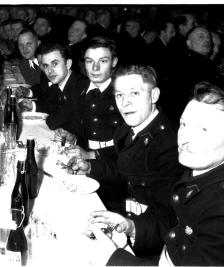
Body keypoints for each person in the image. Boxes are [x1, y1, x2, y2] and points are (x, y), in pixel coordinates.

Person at [83, 81, 224, 266]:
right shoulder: (198, 171)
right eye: (184, 124)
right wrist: (132, 227)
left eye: (203, 129)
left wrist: (114, 259)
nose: (185, 139)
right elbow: (174, 222)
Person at [67, 65, 185, 255]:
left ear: (154, 95)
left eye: (135, 93)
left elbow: (169, 215)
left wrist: (131, 226)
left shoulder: (169, 145)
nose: (125, 103)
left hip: (149, 240)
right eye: (119, 95)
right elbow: (126, 169)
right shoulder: (128, 129)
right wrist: (90, 167)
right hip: (123, 212)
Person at [68, 36, 123, 152]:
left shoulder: (124, 92)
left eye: (102, 61)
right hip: (83, 154)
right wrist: (73, 139)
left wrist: (93, 155)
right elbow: (80, 131)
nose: (95, 68)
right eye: (89, 61)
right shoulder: (77, 89)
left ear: (114, 62)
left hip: (115, 160)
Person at [18, 42, 89, 132]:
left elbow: (53, 122)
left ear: (68, 64)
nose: (50, 70)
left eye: (55, 63)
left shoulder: (80, 87)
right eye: (46, 65)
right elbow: (49, 103)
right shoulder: (60, 83)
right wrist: (31, 105)